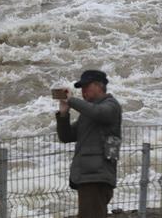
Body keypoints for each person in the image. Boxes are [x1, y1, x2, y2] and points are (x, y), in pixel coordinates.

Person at [55, 69, 123, 218]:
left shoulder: (111, 105)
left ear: (99, 86)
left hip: (96, 176)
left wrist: (71, 100)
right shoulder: (87, 113)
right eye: (82, 88)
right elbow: (66, 136)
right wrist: (64, 114)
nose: (83, 91)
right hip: (88, 176)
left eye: (86, 86)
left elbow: (99, 113)